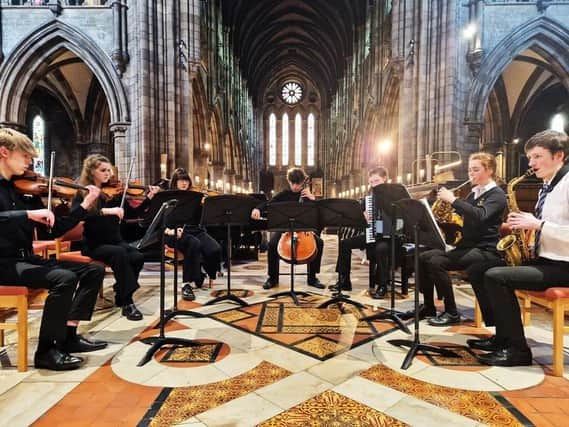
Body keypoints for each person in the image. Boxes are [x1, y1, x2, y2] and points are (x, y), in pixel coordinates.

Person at [0, 128, 107, 371]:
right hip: (3, 263)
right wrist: (27, 214)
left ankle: (68, 336)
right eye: (25, 155)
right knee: (64, 278)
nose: (30, 162)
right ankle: (46, 352)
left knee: (92, 271)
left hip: (25, 260)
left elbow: (54, 230)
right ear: (4, 152)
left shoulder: (23, 191)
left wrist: (85, 206)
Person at [467, 130, 569, 367]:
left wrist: (538, 224)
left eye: (537, 156)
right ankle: (502, 339)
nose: (531, 164)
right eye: (530, 157)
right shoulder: (549, 185)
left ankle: (518, 351)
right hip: (547, 260)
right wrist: (527, 230)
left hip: (564, 266)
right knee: (482, 269)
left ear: (559, 156)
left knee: (496, 277)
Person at [411, 152, 507, 326]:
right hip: (467, 246)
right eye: (470, 170)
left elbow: (481, 215)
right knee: (422, 256)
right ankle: (428, 306)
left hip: (485, 250)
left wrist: (454, 200)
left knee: (436, 262)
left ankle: (452, 312)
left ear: (490, 170)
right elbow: (465, 217)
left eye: (476, 169)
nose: (471, 173)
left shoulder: (497, 194)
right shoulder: (473, 194)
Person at [72, 154, 160, 321]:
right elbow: (77, 216)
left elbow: (133, 214)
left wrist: (148, 199)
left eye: (109, 170)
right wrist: (106, 211)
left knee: (137, 256)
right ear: (91, 172)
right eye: (103, 170)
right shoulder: (84, 192)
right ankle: (127, 302)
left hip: (115, 240)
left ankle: (121, 290)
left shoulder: (115, 194)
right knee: (120, 254)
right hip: (94, 244)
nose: (108, 174)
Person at [251, 167, 324, 289]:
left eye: (298, 183)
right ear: (289, 182)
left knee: (319, 243)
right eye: (293, 183)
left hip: (304, 231)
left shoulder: (307, 196)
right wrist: (258, 208)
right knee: (272, 245)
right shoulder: (284, 195)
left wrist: (313, 200)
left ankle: (312, 277)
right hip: (285, 230)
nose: (295, 186)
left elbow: (321, 213)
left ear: (303, 182)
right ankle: (272, 278)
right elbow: (269, 203)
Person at [330, 167, 391, 298]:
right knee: (344, 243)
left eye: (377, 181)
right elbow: (359, 216)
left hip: (388, 238)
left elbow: (399, 221)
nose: (374, 184)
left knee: (381, 249)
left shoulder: (393, 195)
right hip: (372, 234)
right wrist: (363, 215)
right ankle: (344, 280)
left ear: (385, 179)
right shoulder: (370, 197)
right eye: (371, 182)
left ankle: (382, 286)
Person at [164, 168, 222, 301]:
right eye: (181, 180)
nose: (184, 183)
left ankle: (202, 273)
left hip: (195, 230)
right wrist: (171, 230)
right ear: (175, 182)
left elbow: (201, 218)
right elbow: (164, 221)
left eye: (186, 180)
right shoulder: (168, 198)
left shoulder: (194, 197)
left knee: (215, 249)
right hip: (175, 232)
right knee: (194, 244)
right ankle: (187, 283)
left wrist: (205, 205)